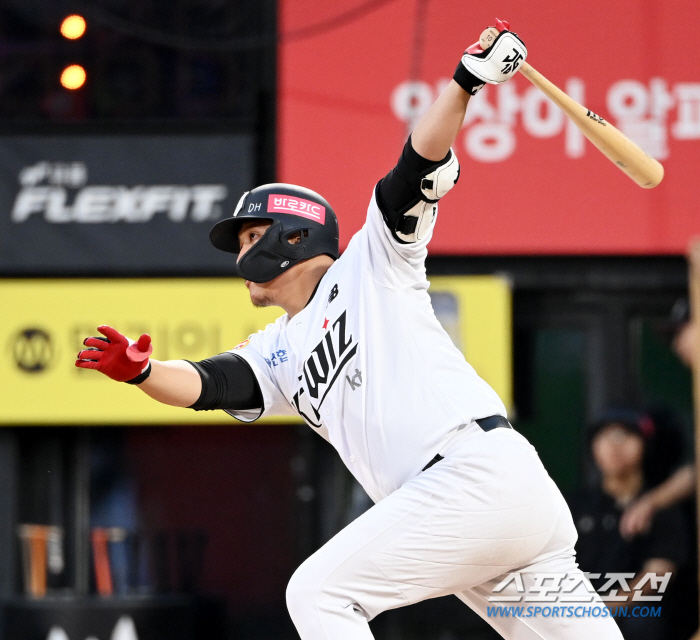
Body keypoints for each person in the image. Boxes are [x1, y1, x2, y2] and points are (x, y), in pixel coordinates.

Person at [76, 21, 624, 640]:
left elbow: (416, 165)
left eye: (251, 235)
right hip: (479, 504)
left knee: (319, 593)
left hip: (471, 475)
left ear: (294, 235)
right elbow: (208, 384)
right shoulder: (277, 348)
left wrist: (465, 81)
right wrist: (143, 372)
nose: (241, 254)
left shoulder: (372, 264)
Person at [568, 408, 689, 640]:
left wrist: (604, 609)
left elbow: (658, 574)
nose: (614, 446)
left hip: (634, 617)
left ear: (644, 445)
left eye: (624, 436)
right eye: (604, 437)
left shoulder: (660, 507)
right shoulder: (575, 505)